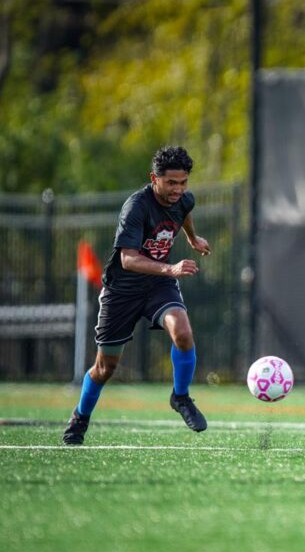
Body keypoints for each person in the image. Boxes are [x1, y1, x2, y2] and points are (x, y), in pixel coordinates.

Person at [62, 146, 211, 445]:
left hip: (157, 285)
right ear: (153, 178)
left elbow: (184, 213)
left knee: (182, 331)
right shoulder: (136, 207)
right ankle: (80, 417)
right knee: (106, 368)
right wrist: (171, 269)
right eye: (171, 183)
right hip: (123, 291)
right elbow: (128, 259)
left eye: (183, 183)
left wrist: (193, 239)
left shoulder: (184, 199)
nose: (178, 190)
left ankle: (180, 397)